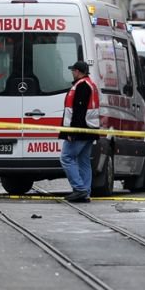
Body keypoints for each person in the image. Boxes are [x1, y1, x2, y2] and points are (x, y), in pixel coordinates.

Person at [59, 61, 99, 203]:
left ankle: (79, 189)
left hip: (81, 130)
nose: (72, 73)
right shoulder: (90, 84)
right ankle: (85, 192)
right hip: (90, 129)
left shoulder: (81, 86)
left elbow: (78, 111)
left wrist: (72, 131)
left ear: (77, 71)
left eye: (73, 71)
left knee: (66, 158)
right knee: (83, 161)